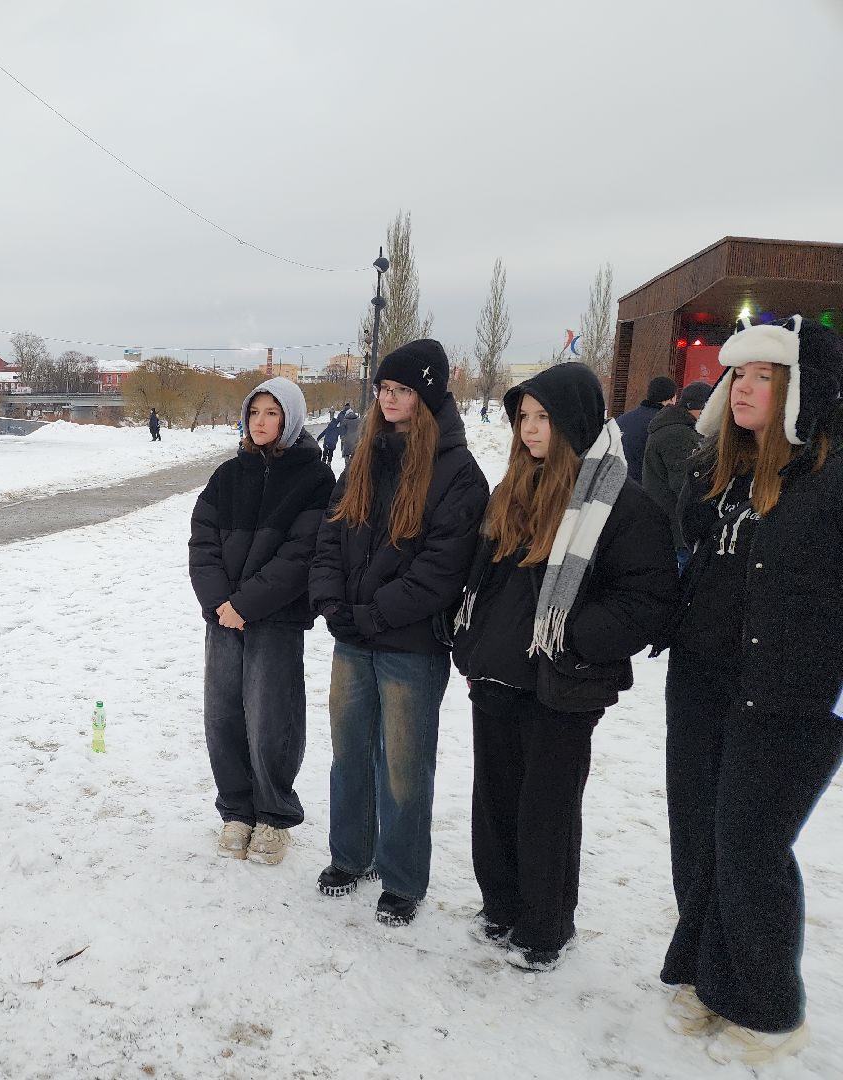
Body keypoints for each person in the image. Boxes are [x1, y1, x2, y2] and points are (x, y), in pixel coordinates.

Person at [450, 362, 676, 972]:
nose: (530, 429)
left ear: (574, 421)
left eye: (543, 417)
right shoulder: (511, 491)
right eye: (524, 417)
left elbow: (646, 597)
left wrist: (573, 637)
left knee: (546, 811)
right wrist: (471, 644)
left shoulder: (621, 505)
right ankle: (501, 904)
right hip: (497, 674)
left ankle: (544, 926)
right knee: (495, 800)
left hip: (563, 681)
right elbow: (484, 576)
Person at [659, 317, 843, 1065]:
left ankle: (768, 1006)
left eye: (764, 376)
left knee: (751, 845)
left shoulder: (830, 477)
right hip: (703, 681)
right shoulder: (721, 468)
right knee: (698, 834)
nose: (742, 388)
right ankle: (708, 974)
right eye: (738, 375)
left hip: (791, 696)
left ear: (800, 389)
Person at [310, 340, 489, 925]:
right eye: (384, 389)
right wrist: (333, 603)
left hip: (411, 644)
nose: (388, 399)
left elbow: (442, 568)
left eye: (403, 390)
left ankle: (403, 878)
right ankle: (350, 854)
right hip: (352, 638)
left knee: (404, 766)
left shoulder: (458, 472)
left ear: (427, 396)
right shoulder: (364, 454)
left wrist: (373, 613)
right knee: (349, 754)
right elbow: (331, 533)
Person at [188, 377, 335, 866]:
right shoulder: (227, 475)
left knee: (273, 718)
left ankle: (274, 815)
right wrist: (218, 603)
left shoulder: (314, 479)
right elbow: (202, 543)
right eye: (255, 412)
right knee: (223, 715)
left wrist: (247, 604)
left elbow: (301, 554)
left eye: (273, 413)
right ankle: (236, 809)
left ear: (290, 419)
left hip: (275, 619)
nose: (261, 421)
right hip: (223, 619)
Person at [643, 380, 712, 571]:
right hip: (677, 529)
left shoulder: (673, 427)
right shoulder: (678, 434)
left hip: (667, 524)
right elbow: (685, 486)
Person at [617, 375, 678, 483]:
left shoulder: (621, 420)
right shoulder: (667, 425)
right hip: (646, 487)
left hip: (617, 484)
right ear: (672, 398)